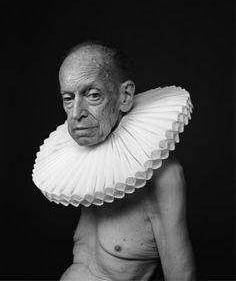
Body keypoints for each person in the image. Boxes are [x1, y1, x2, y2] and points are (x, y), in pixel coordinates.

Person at [43, 42, 195, 280]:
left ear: (124, 96)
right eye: (68, 98)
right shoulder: (86, 166)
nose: (75, 114)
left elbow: (182, 276)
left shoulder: (164, 177)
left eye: (93, 95)